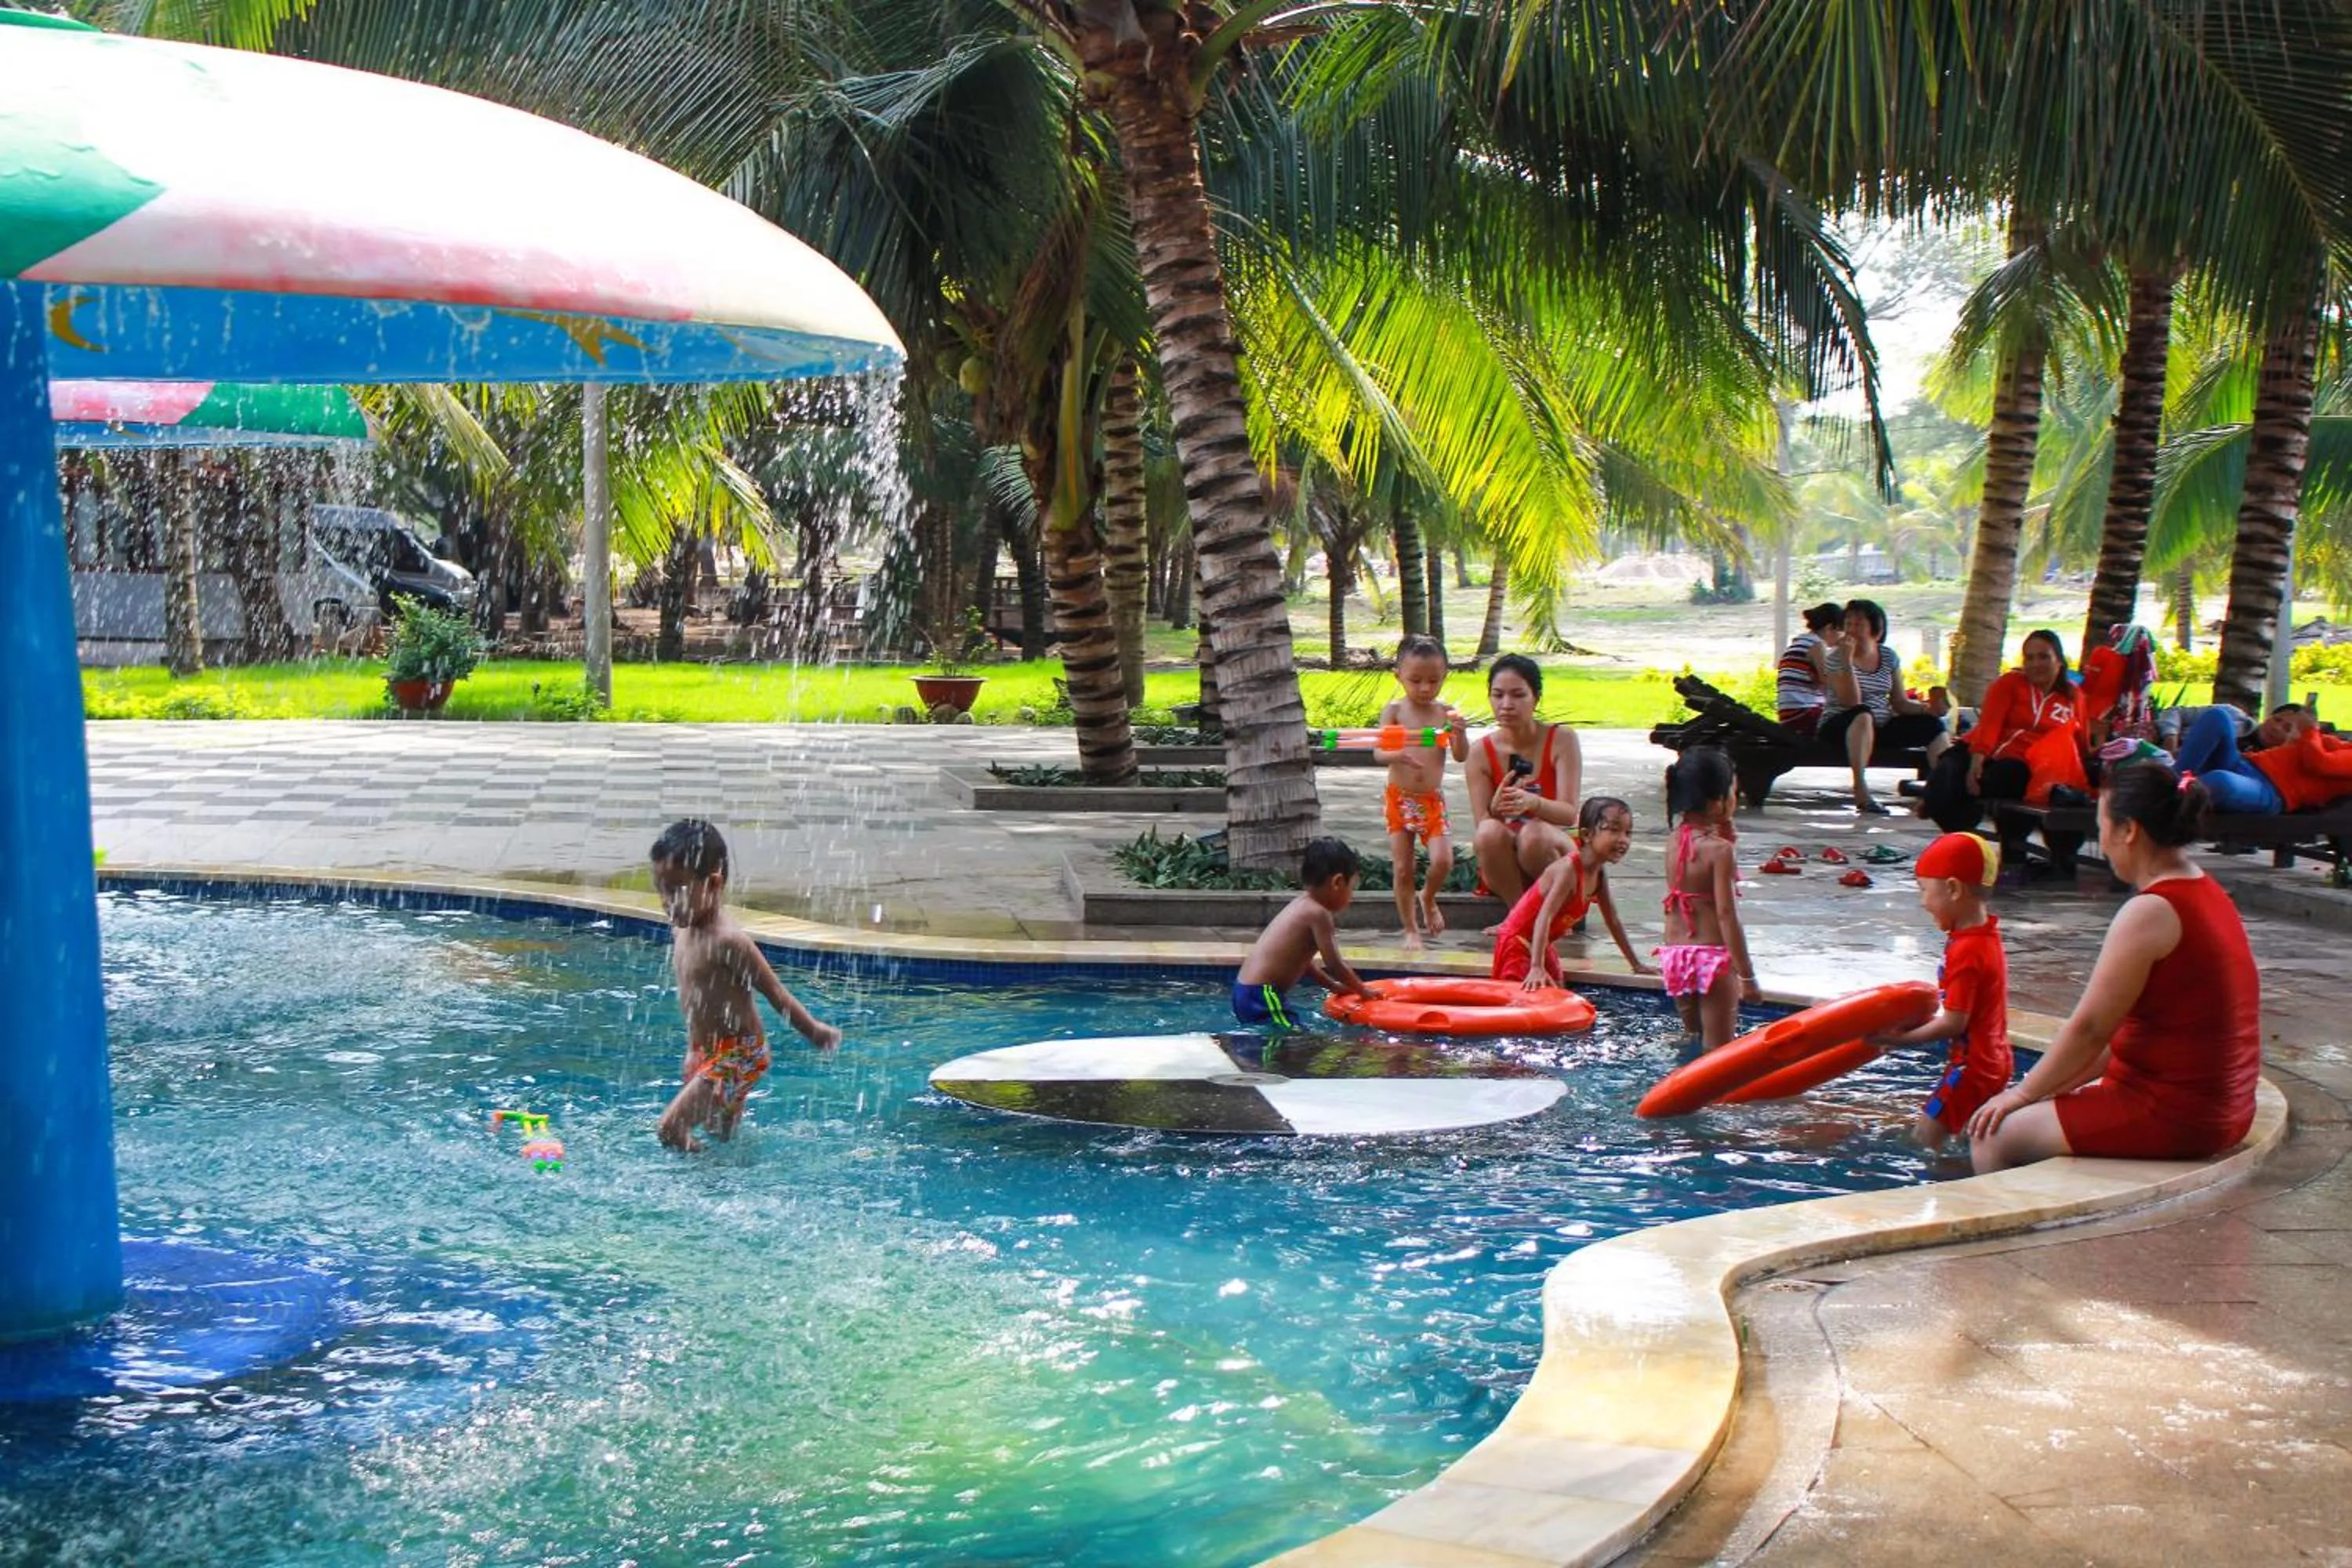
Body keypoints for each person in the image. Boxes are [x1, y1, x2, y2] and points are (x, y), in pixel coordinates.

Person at [1966, 761, 2263, 1174]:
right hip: (2225, 1106)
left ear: (2129, 830)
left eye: (2101, 825)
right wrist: (2036, 1094)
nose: (2100, 841)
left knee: (1994, 1135)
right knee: (2027, 1110)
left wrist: (2020, 1096)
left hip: (2182, 1116)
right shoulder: (2206, 888)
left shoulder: (2151, 911)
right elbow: (2113, 1038)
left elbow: (2090, 1029)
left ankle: (1999, 1237)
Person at [650, 818, 842, 1152]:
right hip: (707, 1053)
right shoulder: (682, 928)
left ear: (713, 884)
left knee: (670, 1129)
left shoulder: (729, 941)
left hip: (740, 1055)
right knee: (721, 1135)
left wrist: (813, 1031)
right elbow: (696, 1002)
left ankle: (700, 1181)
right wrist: (693, 1050)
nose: (667, 902)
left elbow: (775, 993)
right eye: (660, 890)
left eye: (676, 890)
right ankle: (724, 1182)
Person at [1864, 833, 2014, 1151]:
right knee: (1965, 1137)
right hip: (1995, 1060)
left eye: (1924, 890)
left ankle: (1949, 1189)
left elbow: (1954, 1024)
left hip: (1972, 1067)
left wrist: (1897, 1040)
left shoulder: (1968, 950)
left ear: (1953, 889)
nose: (1922, 902)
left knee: (1925, 1138)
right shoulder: (1983, 935)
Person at [1922, 628, 2088, 867]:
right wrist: (1977, 761)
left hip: (2025, 764)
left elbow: (2080, 740)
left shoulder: (2073, 696)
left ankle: (2009, 853)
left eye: (2043, 657)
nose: (2035, 664)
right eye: (2029, 658)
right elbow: (1990, 725)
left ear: (2059, 661)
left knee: (2010, 778)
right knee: (1949, 776)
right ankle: (1948, 828)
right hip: (1978, 749)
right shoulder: (2009, 684)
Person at [1655, 746, 1759, 1049]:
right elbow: (1726, 915)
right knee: (1718, 1052)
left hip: (1676, 956)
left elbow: (1690, 883)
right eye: (1734, 793)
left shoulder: (1673, 842)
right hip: (1711, 959)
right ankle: (1717, 1100)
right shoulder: (1719, 851)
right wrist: (1748, 976)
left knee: (1692, 1039)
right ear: (1717, 803)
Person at [1493, 796, 1652, 988]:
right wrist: (1536, 967)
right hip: (1516, 943)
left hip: (1540, 945)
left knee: (1558, 989)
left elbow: (1613, 921)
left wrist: (1636, 964)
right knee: (1520, 999)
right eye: (1614, 830)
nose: (1623, 840)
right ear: (1586, 835)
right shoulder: (1568, 870)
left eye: (1628, 832)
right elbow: (1545, 916)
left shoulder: (1599, 874)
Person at [1465, 654, 1584, 907]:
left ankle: (1557, 910)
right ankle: (1518, 914)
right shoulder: (1479, 753)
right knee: (1488, 832)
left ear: (1536, 697)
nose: (1506, 704)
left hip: (1552, 850)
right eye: (1498, 695)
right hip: (1508, 864)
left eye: (1518, 695)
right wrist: (1496, 810)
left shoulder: (1562, 740)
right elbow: (1484, 828)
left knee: (1533, 835)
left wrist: (1533, 802)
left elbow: (1569, 814)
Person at [1376, 634, 1471, 949]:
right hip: (1399, 799)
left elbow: (1460, 755)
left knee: (1443, 861)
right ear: (1398, 676)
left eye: (1434, 680)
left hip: (1431, 801)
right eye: (1415, 680)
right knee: (1403, 868)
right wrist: (1397, 755)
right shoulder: (1394, 712)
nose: (1425, 688)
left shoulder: (1446, 712)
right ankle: (1410, 929)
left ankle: (1428, 897)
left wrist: (1460, 734)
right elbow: (1379, 753)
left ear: (1445, 676)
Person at [1820, 598, 1951, 815]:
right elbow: (1850, 701)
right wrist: (1846, 660)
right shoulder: (1836, 658)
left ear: (1877, 631)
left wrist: (1927, 709)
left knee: (1933, 726)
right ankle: (1860, 790)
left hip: (1880, 726)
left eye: (1859, 625)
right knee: (1863, 714)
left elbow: (1899, 702)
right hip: (1841, 726)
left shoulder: (1888, 657)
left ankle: (1944, 790)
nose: (1852, 630)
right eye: (1848, 624)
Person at [1233, 837, 1372, 1029]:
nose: (1351, 897)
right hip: (1262, 995)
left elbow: (1303, 962)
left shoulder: (1301, 904)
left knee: (1280, 1042)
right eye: (1352, 888)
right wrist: (1363, 991)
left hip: (1247, 992)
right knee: (1293, 1041)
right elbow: (1334, 965)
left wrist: (1333, 987)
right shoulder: (1319, 913)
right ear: (1338, 882)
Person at [2175, 702, 2352, 815]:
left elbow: (2319, 763)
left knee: (2222, 781)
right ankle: (2173, 782)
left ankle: (2168, 794)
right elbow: (2313, 748)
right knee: (2218, 716)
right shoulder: (2342, 745)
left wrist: (2310, 729)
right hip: (2245, 764)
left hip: (2272, 792)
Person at [1775, 602, 1848, 735]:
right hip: (1804, 714)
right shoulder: (1817, 646)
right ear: (1830, 628)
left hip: (1789, 715)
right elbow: (1828, 683)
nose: (1843, 637)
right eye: (1842, 631)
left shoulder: (1800, 643)